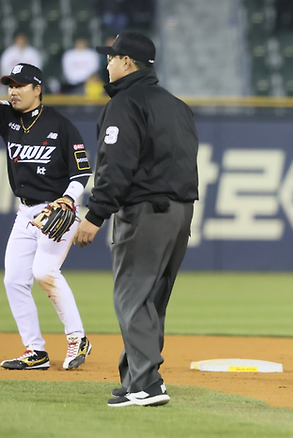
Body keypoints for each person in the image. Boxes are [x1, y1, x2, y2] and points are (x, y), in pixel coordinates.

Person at [72, 31, 199, 407]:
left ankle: (147, 384)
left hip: (145, 212)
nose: (107, 63)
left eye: (111, 57)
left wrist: (95, 214)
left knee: (131, 296)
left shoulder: (125, 103)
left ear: (127, 62)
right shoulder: (178, 105)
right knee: (151, 299)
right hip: (180, 212)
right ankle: (133, 380)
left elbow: (116, 164)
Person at [0, 64, 92, 371]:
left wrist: (68, 199)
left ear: (37, 89)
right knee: (13, 279)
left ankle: (78, 338)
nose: (12, 91)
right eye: (9, 85)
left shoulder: (61, 125)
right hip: (25, 212)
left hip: (57, 210)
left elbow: (82, 171)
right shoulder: (7, 118)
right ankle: (35, 351)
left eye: (20, 86)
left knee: (44, 271)